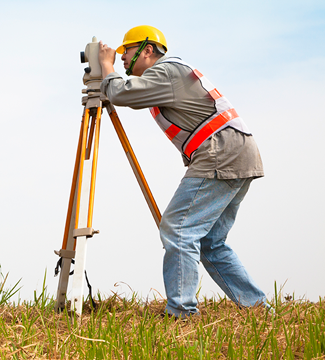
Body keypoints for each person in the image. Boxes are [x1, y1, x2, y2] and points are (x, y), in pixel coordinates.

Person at [97, 25, 267, 318]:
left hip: (220, 153)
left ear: (147, 50)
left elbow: (121, 94)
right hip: (237, 153)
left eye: (127, 51)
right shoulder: (171, 74)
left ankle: (182, 312)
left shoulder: (165, 71)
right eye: (119, 53)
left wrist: (105, 66)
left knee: (178, 229)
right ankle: (257, 308)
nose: (122, 58)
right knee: (210, 243)